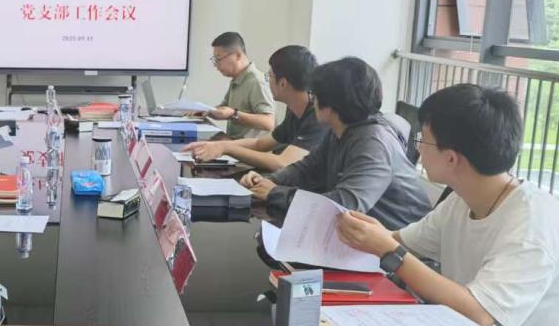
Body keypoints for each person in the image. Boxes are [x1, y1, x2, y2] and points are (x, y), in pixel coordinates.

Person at [336, 83, 559, 326]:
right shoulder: (463, 199)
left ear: (452, 158)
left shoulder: (533, 224)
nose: (418, 147)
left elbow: (479, 314)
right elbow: (401, 241)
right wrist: (372, 235)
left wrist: (389, 250)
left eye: (423, 139)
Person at [240, 57, 431, 230]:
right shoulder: (340, 130)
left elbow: (345, 205)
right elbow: (308, 168)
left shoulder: (373, 143)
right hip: (364, 235)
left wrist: (276, 193)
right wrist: (271, 181)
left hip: (402, 244)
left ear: (331, 105)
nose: (312, 101)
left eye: (314, 95)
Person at [182, 45, 327, 170]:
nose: (267, 81)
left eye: (269, 76)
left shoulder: (318, 114)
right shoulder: (295, 109)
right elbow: (260, 144)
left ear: (283, 83)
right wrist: (216, 145)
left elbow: (282, 163)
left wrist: (226, 148)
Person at [201, 32, 276, 139]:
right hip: (234, 143)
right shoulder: (237, 79)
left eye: (218, 59)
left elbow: (268, 122)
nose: (216, 65)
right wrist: (205, 111)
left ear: (237, 56)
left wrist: (233, 114)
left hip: (251, 148)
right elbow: (224, 108)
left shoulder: (256, 81)